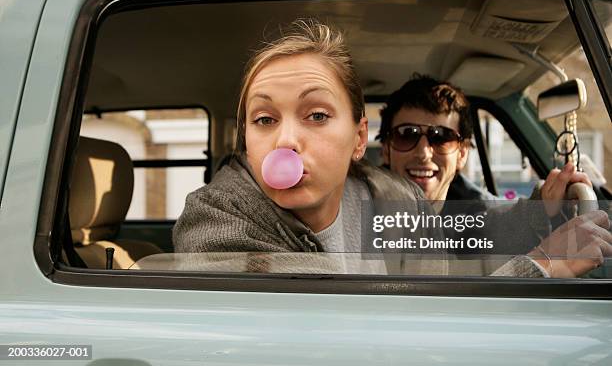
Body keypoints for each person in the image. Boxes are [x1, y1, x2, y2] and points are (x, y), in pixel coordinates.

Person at [173, 19, 611, 278]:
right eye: (264, 120)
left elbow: (445, 282)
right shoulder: (214, 222)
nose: (285, 140)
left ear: (359, 138)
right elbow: (346, 333)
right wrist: (540, 265)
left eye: (317, 115)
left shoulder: (392, 199)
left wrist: (539, 215)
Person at [376, 74, 609, 274]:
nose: (424, 153)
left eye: (441, 137)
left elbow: (498, 225)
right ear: (386, 149)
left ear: (462, 154)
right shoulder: (364, 217)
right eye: (407, 134)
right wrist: (543, 264)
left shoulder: (476, 215)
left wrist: (544, 208)